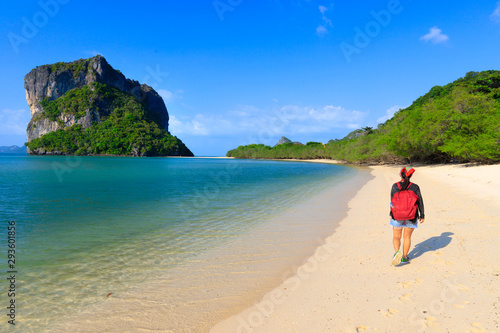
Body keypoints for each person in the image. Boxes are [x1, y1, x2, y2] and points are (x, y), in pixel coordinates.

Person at [390, 167, 425, 265]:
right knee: (407, 237)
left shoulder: (395, 186)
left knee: (396, 236)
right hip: (412, 216)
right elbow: (420, 201)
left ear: (401, 175)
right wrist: (422, 215)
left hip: (397, 216)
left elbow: (392, 202)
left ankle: (397, 252)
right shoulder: (415, 187)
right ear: (411, 175)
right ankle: (404, 258)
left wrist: (391, 214)